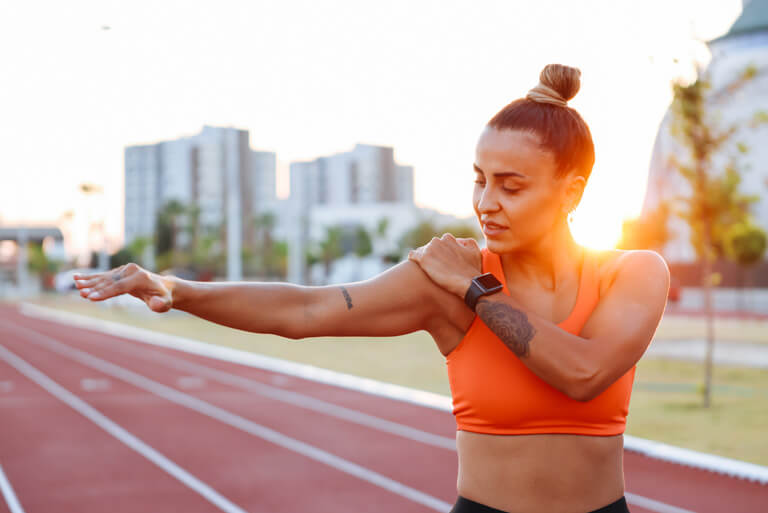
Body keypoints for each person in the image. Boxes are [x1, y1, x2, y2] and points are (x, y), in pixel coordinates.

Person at [73, 63, 669, 513]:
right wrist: (178, 290)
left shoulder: (631, 274)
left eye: (511, 186)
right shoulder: (446, 281)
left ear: (572, 190)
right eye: (479, 181)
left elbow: (586, 374)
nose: (487, 204)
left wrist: (479, 291)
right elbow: (308, 309)